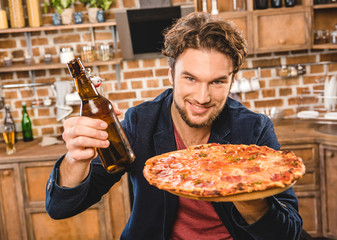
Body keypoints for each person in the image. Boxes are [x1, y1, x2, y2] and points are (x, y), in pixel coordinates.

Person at [45, 12, 303, 240]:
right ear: (171, 75)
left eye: (217, 82)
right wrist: (76, 159)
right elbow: (60, 208)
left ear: (232, 81)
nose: (202, 97)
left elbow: (288, 233)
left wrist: (246, 186)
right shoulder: (140, 122)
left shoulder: (254, 129)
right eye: (190, 78)